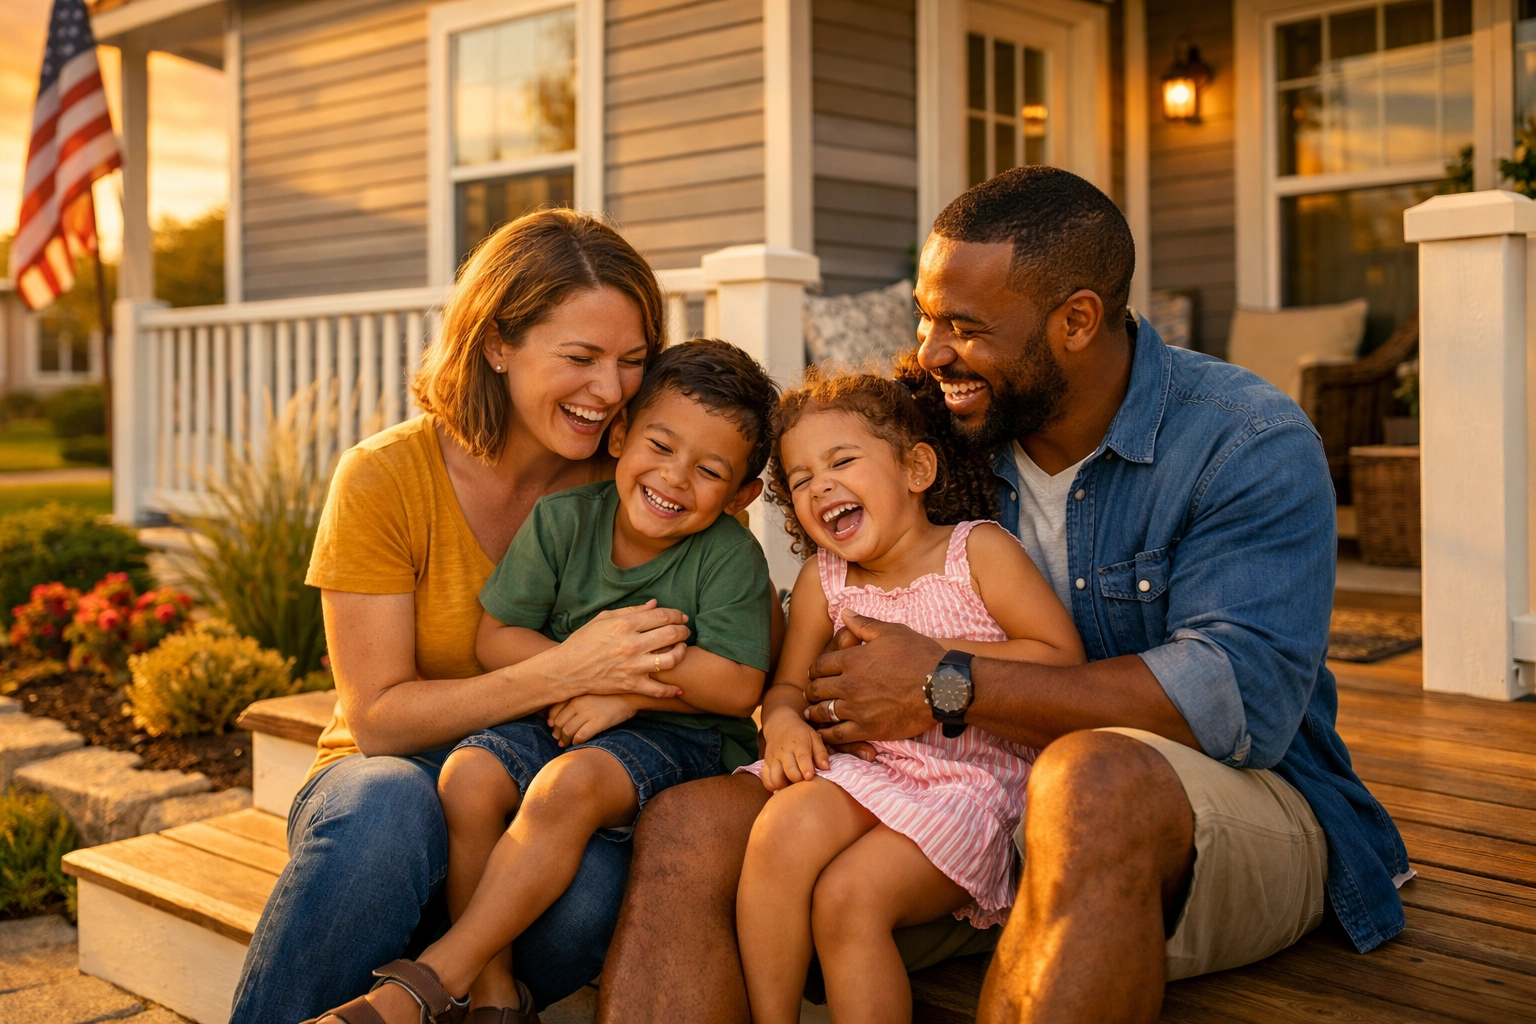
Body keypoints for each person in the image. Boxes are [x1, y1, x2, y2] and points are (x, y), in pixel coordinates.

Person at [596, 167, 1410, 1024]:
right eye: (925, 315)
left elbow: (1238, 702)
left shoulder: (1243, 441)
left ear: (1077, 320)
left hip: (1217, 805)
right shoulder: (933, 430)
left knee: (1088, 781)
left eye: (965, 328)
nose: (929, 351)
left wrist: (947, 682)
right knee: (695, 824)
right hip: (933, 801)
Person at [228, 210, 733, 1024]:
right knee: (386, 806)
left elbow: (715, 666)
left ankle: (450, 989)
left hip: (554, 792)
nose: (610, 391)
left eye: (632, 362)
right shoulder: (385, 478)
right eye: (581, 357)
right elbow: (383, 720)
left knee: (596, 886)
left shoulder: (652, 486)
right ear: (496, 343)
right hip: (394, 798)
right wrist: (563, 670)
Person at [306, 339, 779, 1024]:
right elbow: (497, 636)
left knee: (567, 786)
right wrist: (578, 671)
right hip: (564, 716)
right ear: (619, 435)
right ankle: (494, 990)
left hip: (684, 738)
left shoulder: (727, 555)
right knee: (468, 776)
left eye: (708, 470)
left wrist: (625, 683)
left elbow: (738, 688)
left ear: (742, 495)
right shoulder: (564, 522)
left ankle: (435, 979)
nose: (675, 478)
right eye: (661, 445)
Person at [735, 367, 1084, 1024]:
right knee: (781, 830)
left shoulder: (975, 552)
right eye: (801, 478)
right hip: (869, 772)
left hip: (973, 785)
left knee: (848, 897)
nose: (822, 485)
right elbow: (786, 684)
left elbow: (1060, 661)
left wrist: (934, 665)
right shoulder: (824, 580)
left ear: (916, 468)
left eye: (843, 461)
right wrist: (782, 723)